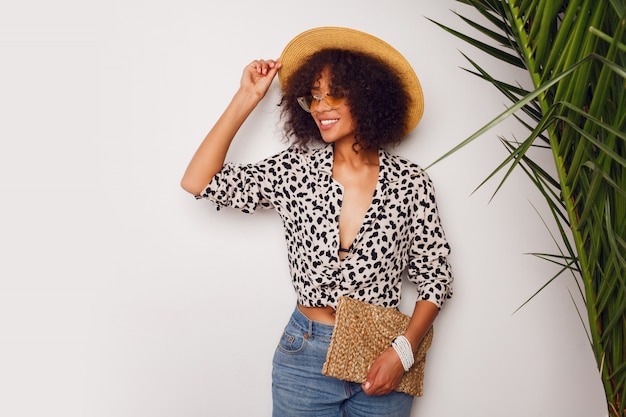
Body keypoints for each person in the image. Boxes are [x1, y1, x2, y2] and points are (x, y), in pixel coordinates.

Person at [181, 26, 453, 417]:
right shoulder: (295, 171)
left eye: (336, 94)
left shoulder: (410, 183)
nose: (322, 107)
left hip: (382, 359)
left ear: (369, 95)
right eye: (314, 97)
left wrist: (402, 352)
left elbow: (436, 277)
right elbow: (197, 181)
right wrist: (248, 96)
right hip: (304, 359)